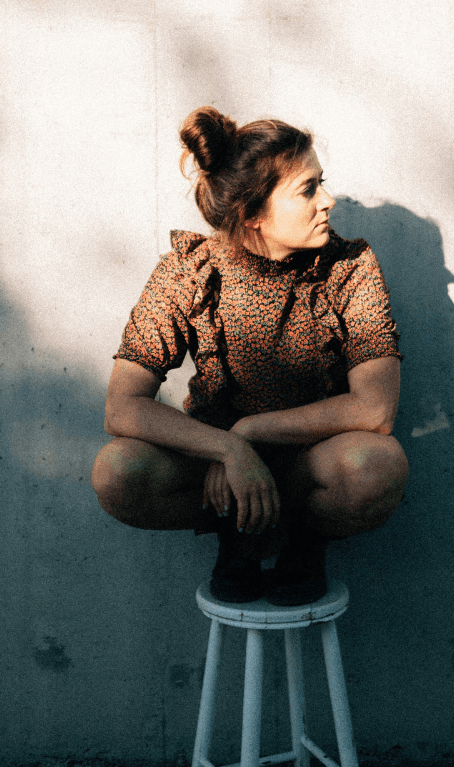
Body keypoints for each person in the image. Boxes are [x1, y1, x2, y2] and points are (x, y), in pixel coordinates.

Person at [91, 107, 409, 605]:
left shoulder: (350, 267)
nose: (327, 201)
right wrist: (226, 450)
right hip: (213, 472)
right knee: (117, 473)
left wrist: (249, 433)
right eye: (308, 190)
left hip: (313, 464)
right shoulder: (187, 271)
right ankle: (234, 532)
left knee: (378, 466)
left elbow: (375, 410)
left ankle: (302, 543)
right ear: (252, 215)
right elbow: (123, 407)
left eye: (321, 183)